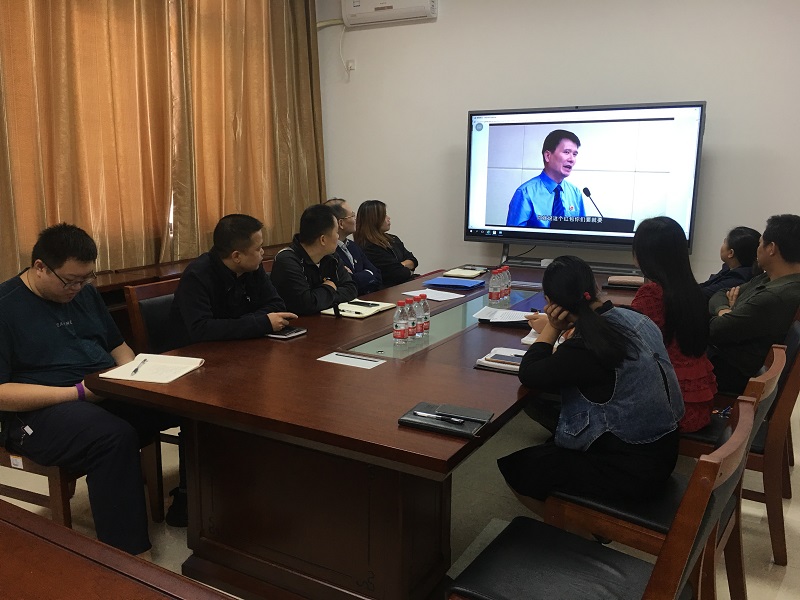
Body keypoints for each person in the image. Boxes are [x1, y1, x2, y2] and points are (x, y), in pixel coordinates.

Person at [0, 224, 183, 555]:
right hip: (39, 409)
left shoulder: (84, 293)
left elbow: (118, 346)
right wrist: (78, 393)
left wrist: (132, 376)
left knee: (186, 402)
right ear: (40, 267)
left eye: (86, 279)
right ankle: (125, 557)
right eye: (70, 281)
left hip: (100, 388)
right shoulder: (5, 306)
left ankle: (196, 506)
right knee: (111, 438)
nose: (78, 288)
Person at [497, 256, 683, 510]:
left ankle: (574, 527)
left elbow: (530, 373)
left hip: (632, 470)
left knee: (519, 467)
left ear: (550, 302)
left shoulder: (589, 346)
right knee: (549, 443)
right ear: (594, 287)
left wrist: (552, 328)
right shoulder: (635, 318)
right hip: (663, 450)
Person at [631, 217, 717, 432]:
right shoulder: (692, 290)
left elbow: (631, 345)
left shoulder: (651, 294)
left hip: (672, 409)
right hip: (699, 404)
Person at [169, 214, 297, 347]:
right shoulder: (196, 276)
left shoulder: (253, 267)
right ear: (236, 256)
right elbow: (201, 329)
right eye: (258, 248)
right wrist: (261, 323)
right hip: (194, 352)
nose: (262, 252)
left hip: (241, 345)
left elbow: (276, 304)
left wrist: (245, 323)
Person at [708, 214, 800, 394]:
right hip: (725, 358)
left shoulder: (775, 296)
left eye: (760, 243)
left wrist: (727, 313)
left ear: (771, 248)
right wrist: (725, 309)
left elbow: (714, 330)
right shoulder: (769, 278)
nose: (757, 249)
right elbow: (720, 294)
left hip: (729, 372)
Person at [271, 203, 358, 314]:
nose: (337, 237)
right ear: (323, 240)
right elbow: (307, 304)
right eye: (336, 232)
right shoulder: (287, 260)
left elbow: (351, 289)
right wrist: (330, 288)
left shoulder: (331, 257)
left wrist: (322, 295)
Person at [505, 129, 585, 228]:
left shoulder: (575, 193)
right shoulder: (525, 193)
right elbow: (514, 235)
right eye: (566, 152)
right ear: (547, 156)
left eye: (575, 154)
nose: (572, 159)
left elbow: (581, 231)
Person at [354, 199, 418, 287]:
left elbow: (414, 260)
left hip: (406, 284)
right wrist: (406, 268)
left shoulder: (393, 239)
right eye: (384, 215)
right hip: (390, 290)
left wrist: (401, 265)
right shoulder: (369, 247)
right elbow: (398, 274)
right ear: (374, 220)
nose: (388, 218)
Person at [325, 198, 382, 295]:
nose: (355, 219)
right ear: (341, 223)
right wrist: (367, 274)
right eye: (352, 215)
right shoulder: (329, 251)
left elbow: (377, 275)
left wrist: (356, 276)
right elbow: (346, 284)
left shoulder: (353, 246)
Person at [700, 225, 761, 298]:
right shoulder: (729, 268)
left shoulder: (737, 279)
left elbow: (700, 294)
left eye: (725, 242)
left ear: (731, 253)